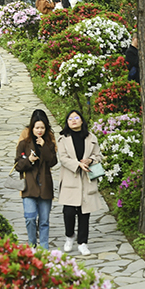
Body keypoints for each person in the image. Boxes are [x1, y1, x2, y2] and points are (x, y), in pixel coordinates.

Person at [56, 110, 103, 256]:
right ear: (67, 122)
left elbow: (98, 156)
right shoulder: (63, 138)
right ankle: (69, 236)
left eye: (76, 118)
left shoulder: (91, 137)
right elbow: (63, 158)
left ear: (82, 121)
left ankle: (83, 242)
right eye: (70, 118)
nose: (73, 120)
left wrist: (90, 160)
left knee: (84, 213)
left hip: (87, 180)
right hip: (71, 179)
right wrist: (77, 164)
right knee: (68, 212)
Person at [14, 109, 57, 249]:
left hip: (45, 186)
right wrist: (30, 160)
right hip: (29, 186)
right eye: (37, 127)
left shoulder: (49, 143)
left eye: (42, 128)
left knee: (44, 221)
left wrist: (44, 147)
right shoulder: (23, 144)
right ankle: (32, 245)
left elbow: (52, 162)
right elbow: (18, 165)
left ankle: (44, 248)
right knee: (30, 218)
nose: (39, 130)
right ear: (31, 128)